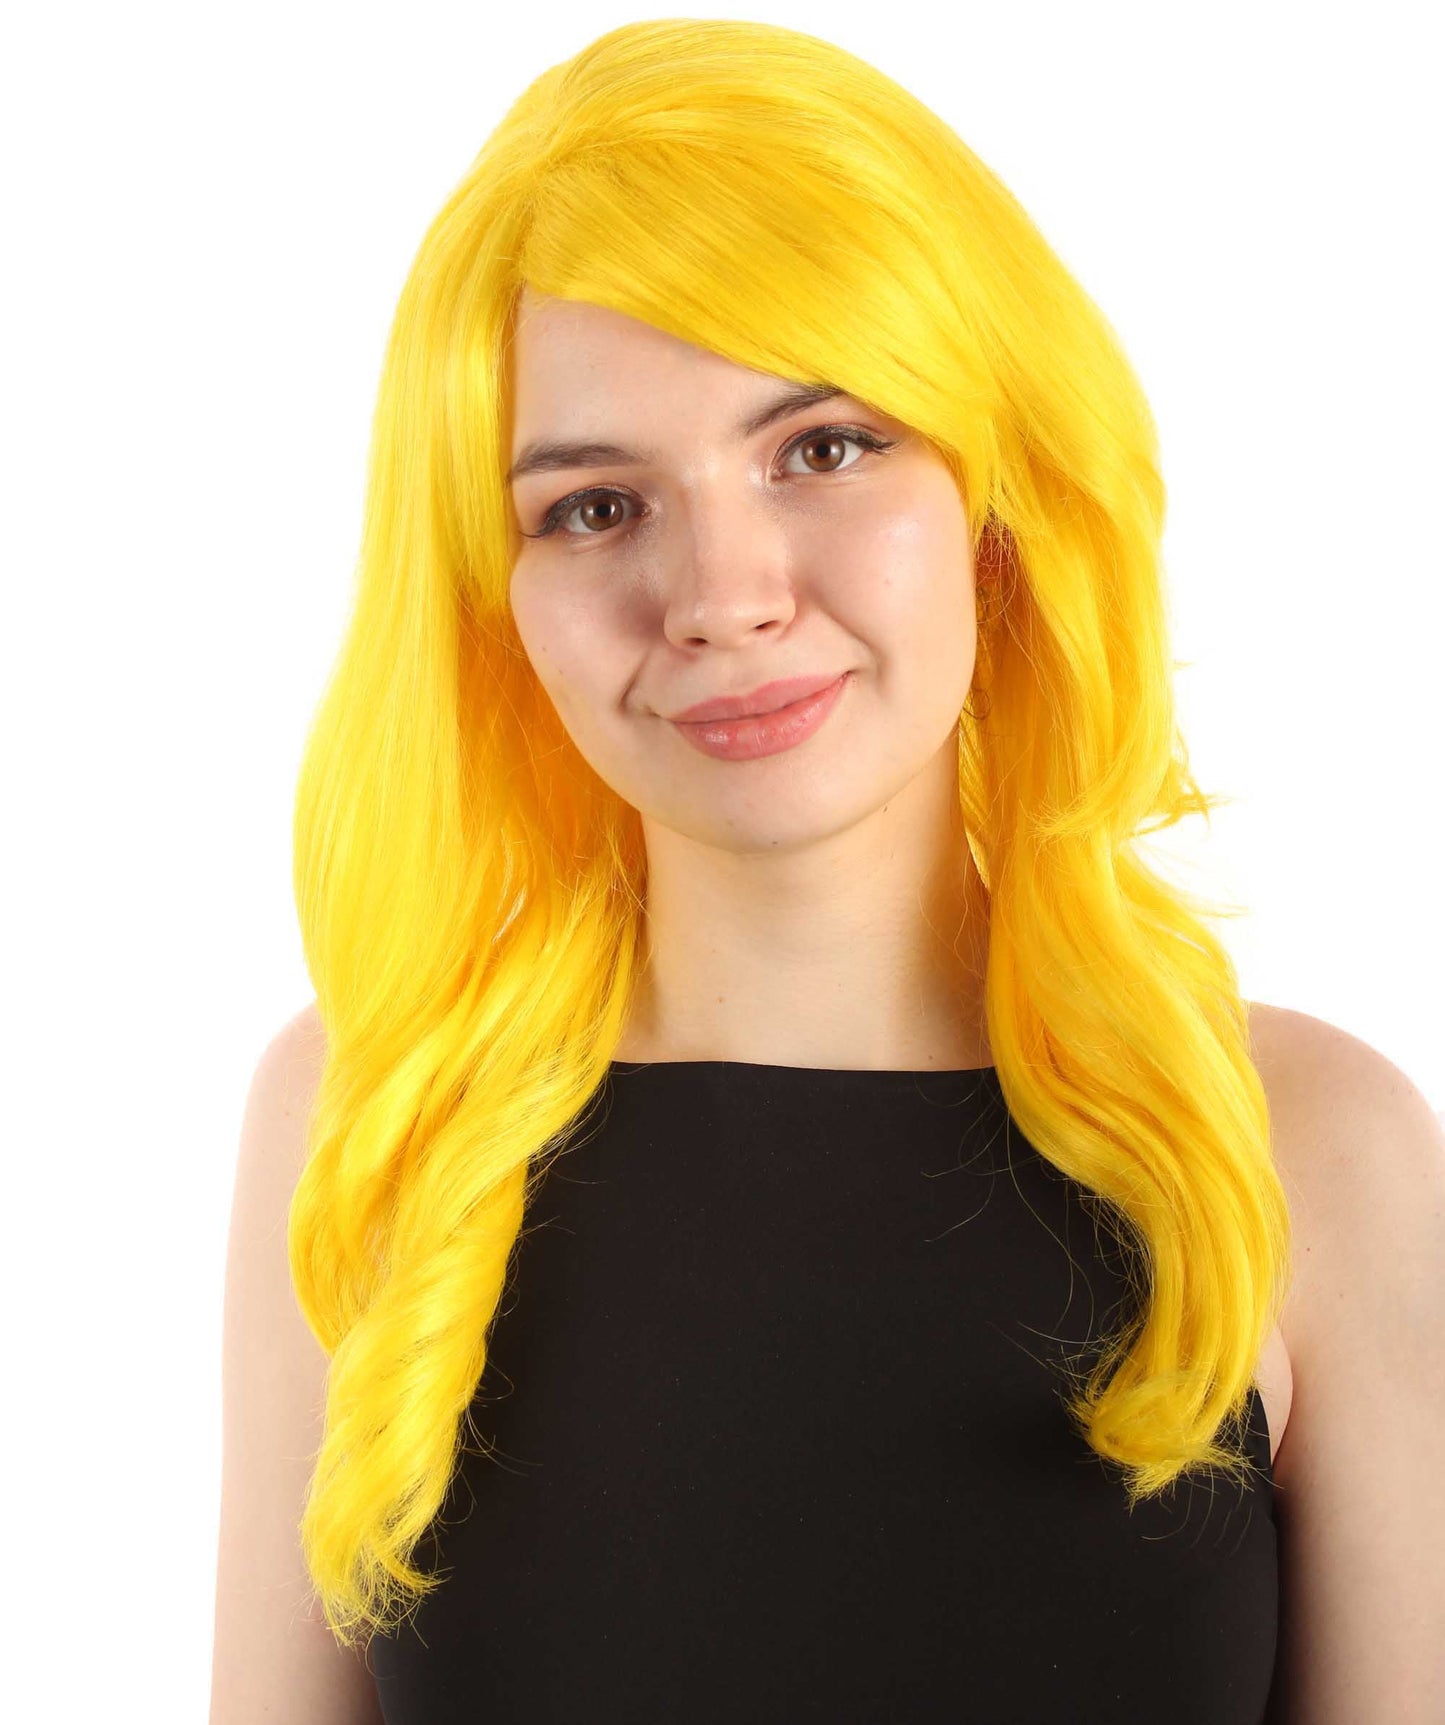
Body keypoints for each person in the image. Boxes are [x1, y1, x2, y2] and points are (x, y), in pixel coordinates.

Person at [210, 18, 1445, 1725]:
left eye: (824, 447)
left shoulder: (1307, 1141)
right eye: (593, 506)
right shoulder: (373, 1110)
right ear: (494, 599)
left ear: (995, 499)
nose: (724, 596)